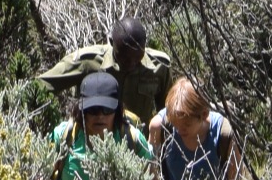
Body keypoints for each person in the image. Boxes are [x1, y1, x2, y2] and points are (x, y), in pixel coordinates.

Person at [45, 70, 154, 180]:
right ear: (81, 109)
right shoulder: (64, 136)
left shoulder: (132, 138)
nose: (100, 116)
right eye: (93, 110)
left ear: (117, 110)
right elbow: (41, 174)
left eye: (107, 109)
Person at [36, 16, 178, 127]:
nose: (131, 63)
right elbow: (42, 85)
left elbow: (168, 110)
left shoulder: (159, 66)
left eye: (137, 58)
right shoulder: (88, 61)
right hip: (93, 143)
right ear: (111, 42)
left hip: (138, 146)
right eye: (124, 57)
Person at [148, 76, 237, 180]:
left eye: (186, 124)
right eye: (175, 123)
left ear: (203, 114)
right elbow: (151, 173)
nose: (179, 129)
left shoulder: (224, 135)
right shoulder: (161, 127)